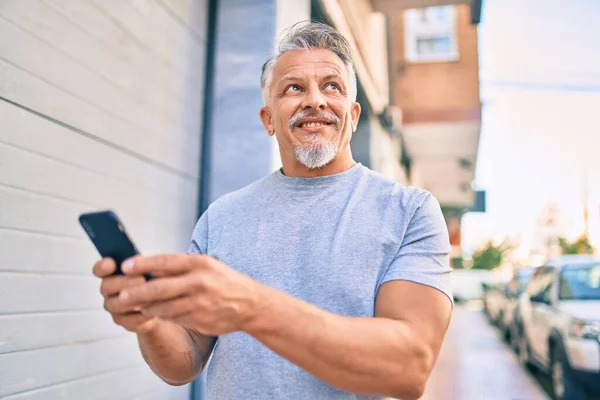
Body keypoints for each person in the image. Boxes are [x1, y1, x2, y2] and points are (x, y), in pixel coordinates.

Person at [93, 22, 453, 400]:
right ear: (268, 119)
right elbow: (184, 361)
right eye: (294, 88)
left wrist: (251, 306)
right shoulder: (222, 217)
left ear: (354, 114)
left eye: (332, 86)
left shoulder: (410, 211)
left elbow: (408, 368)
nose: (315, 100)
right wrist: (148, 322)